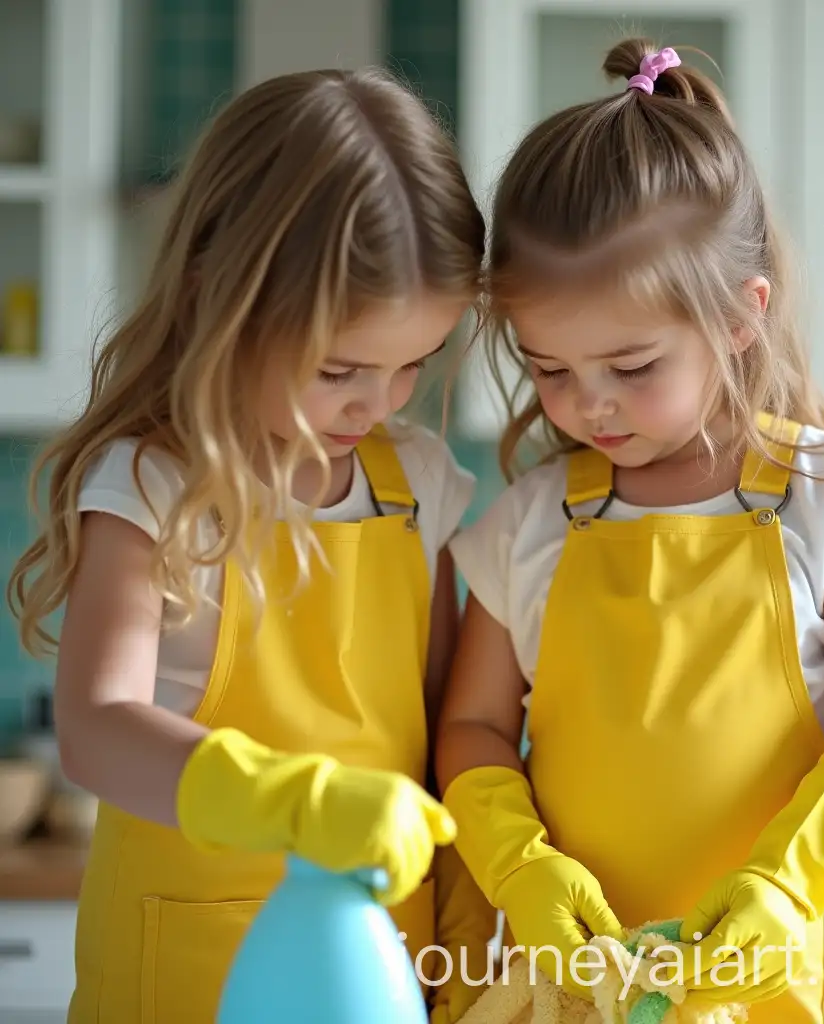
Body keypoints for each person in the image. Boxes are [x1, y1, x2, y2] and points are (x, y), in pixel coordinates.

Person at [435, 39, 824, 1023]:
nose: (589, 406)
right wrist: (517, 867)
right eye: (548, 369)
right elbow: (474, 727)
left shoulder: (821, 494)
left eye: (631, 365)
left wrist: (788, 887)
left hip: (782, 980)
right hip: (576, 986)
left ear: (740, 317)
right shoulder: (533, 522)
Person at [7, 66, 486, 1023]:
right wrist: (289, 801)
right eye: (341, 368)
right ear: (218, 298)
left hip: (380, 961)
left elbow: (441, 727)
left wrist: (474, 915)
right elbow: (99, 729)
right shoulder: (155, 483)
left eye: (414, 365)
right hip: (185, 972)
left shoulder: (420, 482)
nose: (380, 403)